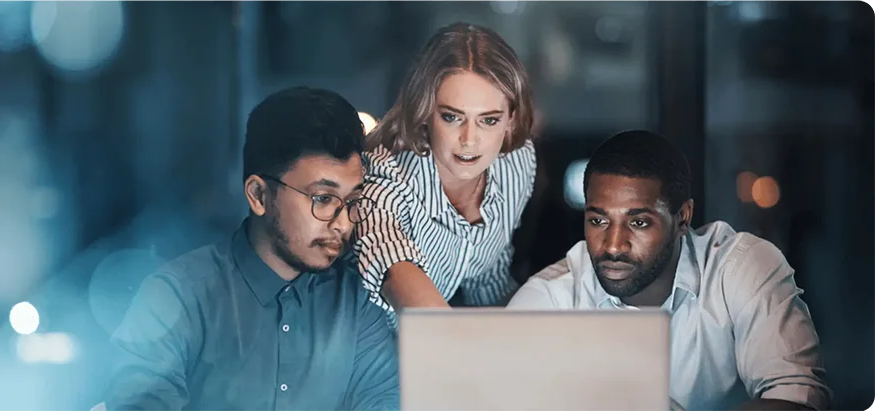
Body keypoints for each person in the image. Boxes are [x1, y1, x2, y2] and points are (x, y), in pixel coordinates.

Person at [103, 87, 399, 411]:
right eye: (323, 199)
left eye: (353, 201)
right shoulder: (178, 298)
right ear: (258, 195)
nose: (343, 224)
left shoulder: (355, 306)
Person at [508, 130, 831, 411]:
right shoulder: (550, 298)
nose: (614, 245)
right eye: (598, 221)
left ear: (682, 218)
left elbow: (798, 398)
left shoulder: (738, 267)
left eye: (638, 222)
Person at [354, 22, 537, 325]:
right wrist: (455, 347)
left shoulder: (516, 163)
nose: (469, 139)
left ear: (511, 120)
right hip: (367, 355)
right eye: (452, 117)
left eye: (488, 121)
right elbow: (389, 261)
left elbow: (487, 280)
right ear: (425, 112)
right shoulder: (386, 174)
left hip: (443, 347)